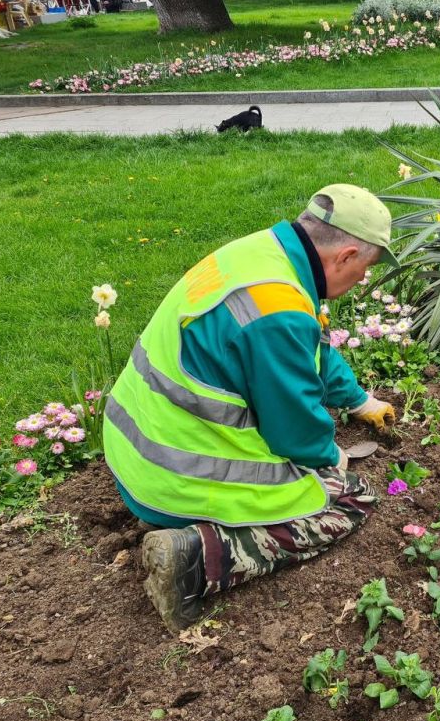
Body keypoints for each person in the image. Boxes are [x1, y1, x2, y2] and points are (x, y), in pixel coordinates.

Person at [103, 184, 399, 633]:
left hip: (135, 449)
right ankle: (193, 558)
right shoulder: (277, 313)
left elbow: (309, 346)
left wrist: (360, 401)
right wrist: (328, 458)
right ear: (346, 255)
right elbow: (294, 432)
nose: (363, 281)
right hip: (173, 481)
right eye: (365, 269)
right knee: (350, 497)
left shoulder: (263, 256)